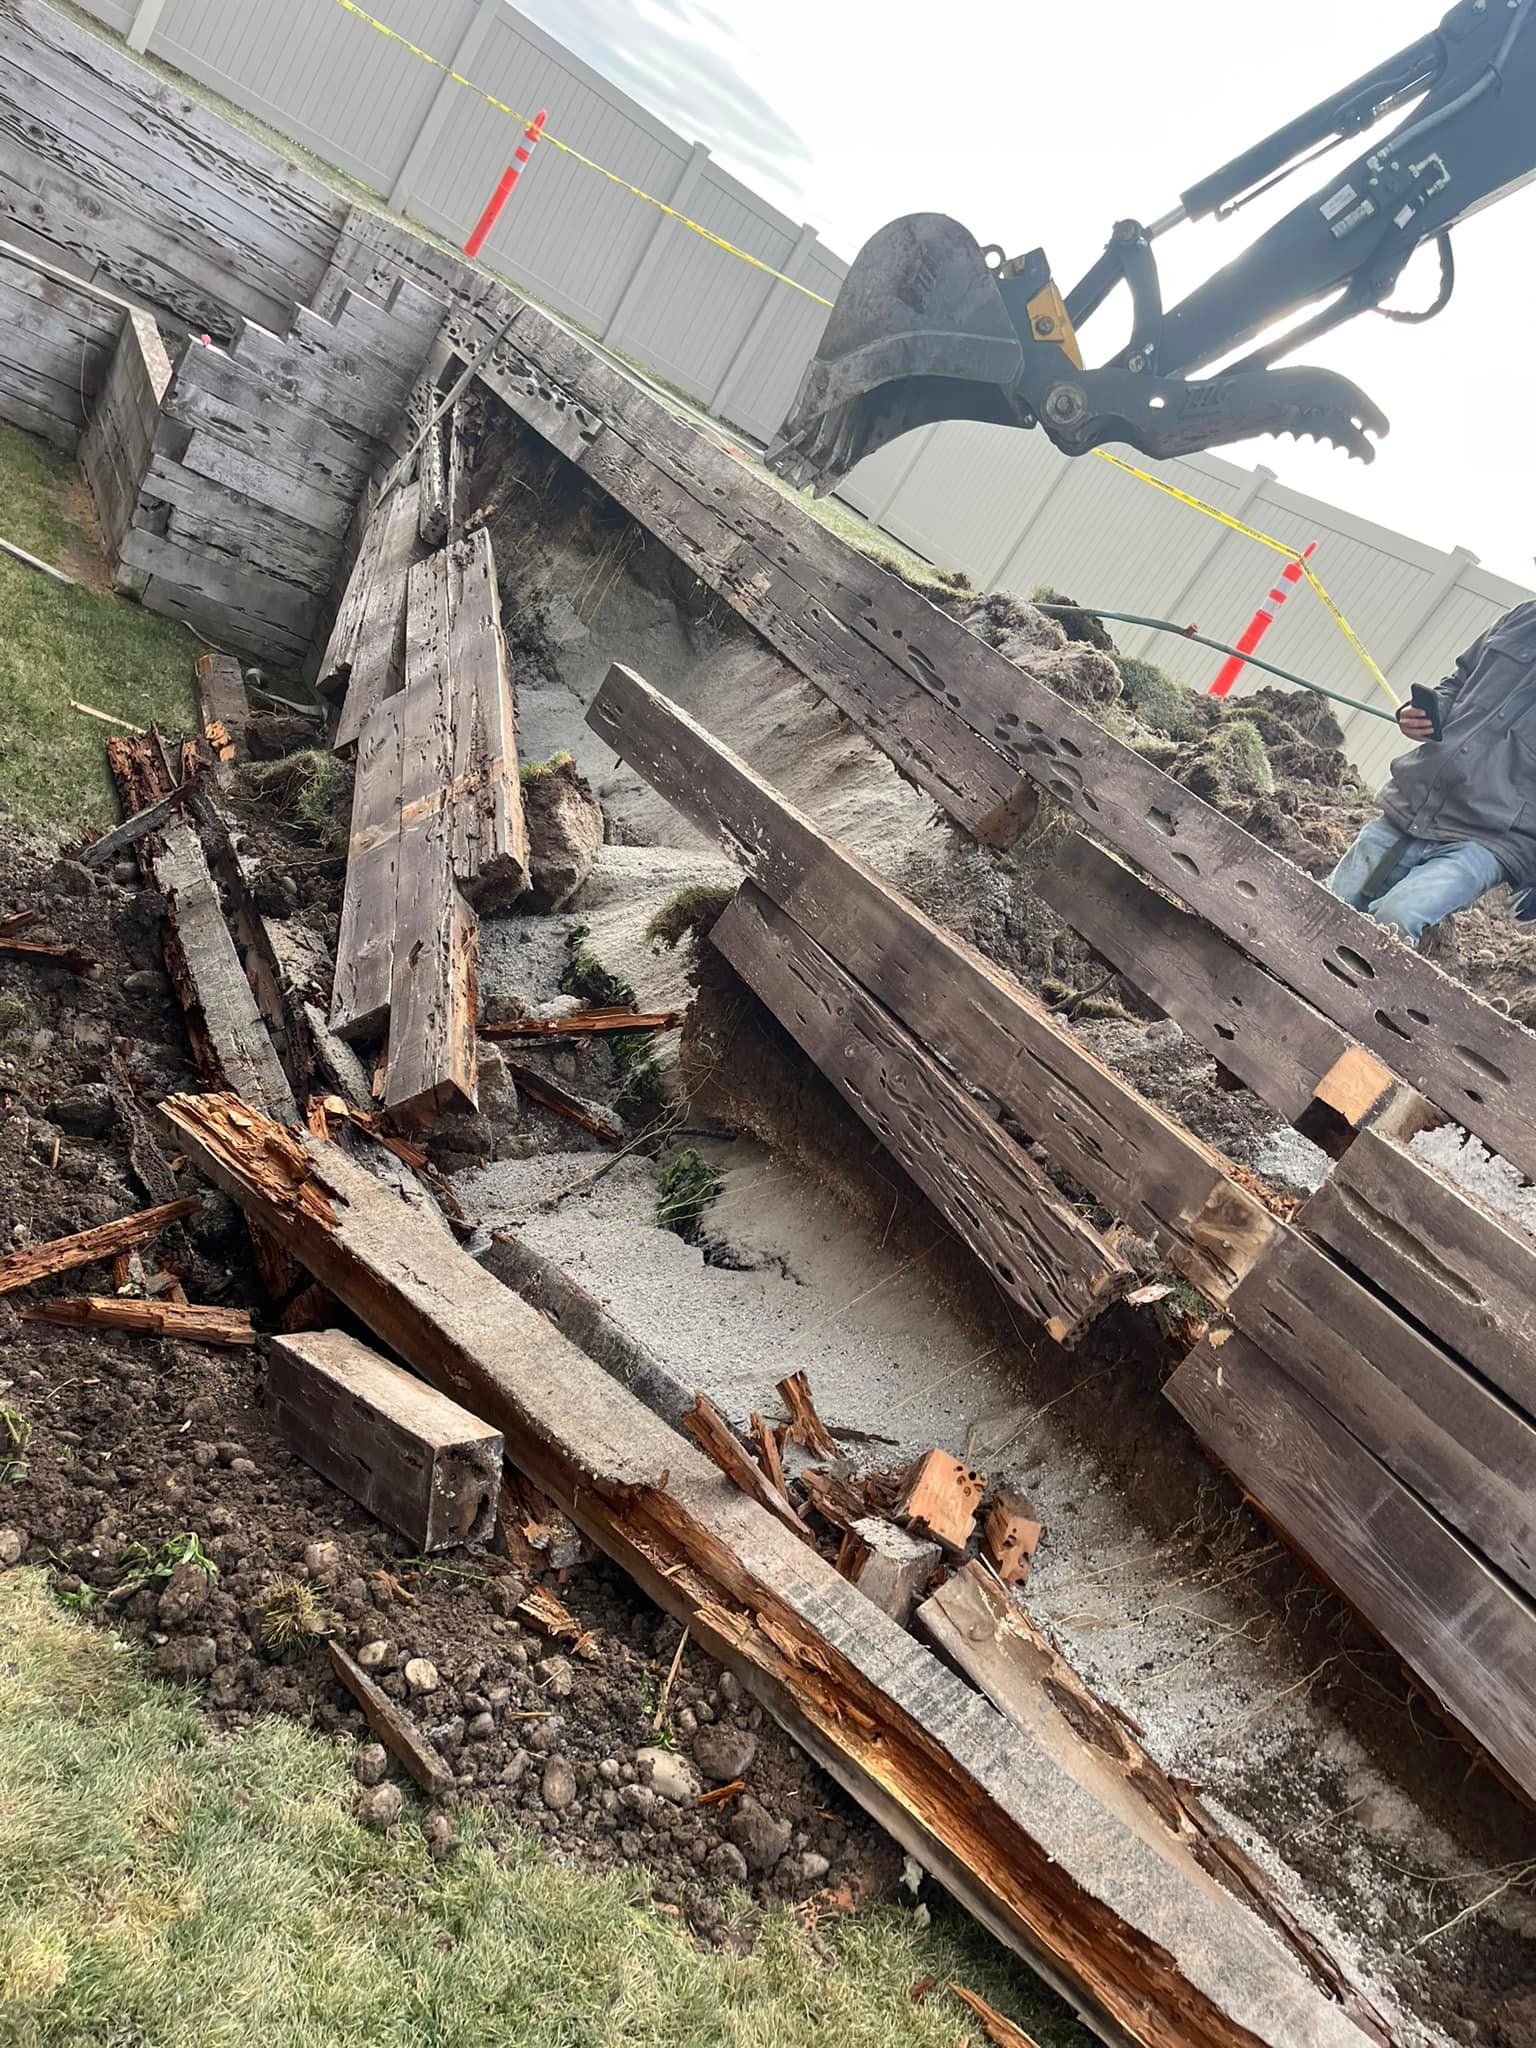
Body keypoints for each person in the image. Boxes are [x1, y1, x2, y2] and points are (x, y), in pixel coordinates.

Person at [1327, 600, 1536, 945]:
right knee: (1325, 904)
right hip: (1415, 803)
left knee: (1396, 919)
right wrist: (1426, 713)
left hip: (1488, 839)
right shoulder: (1521, 617)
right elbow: (1459, 683)